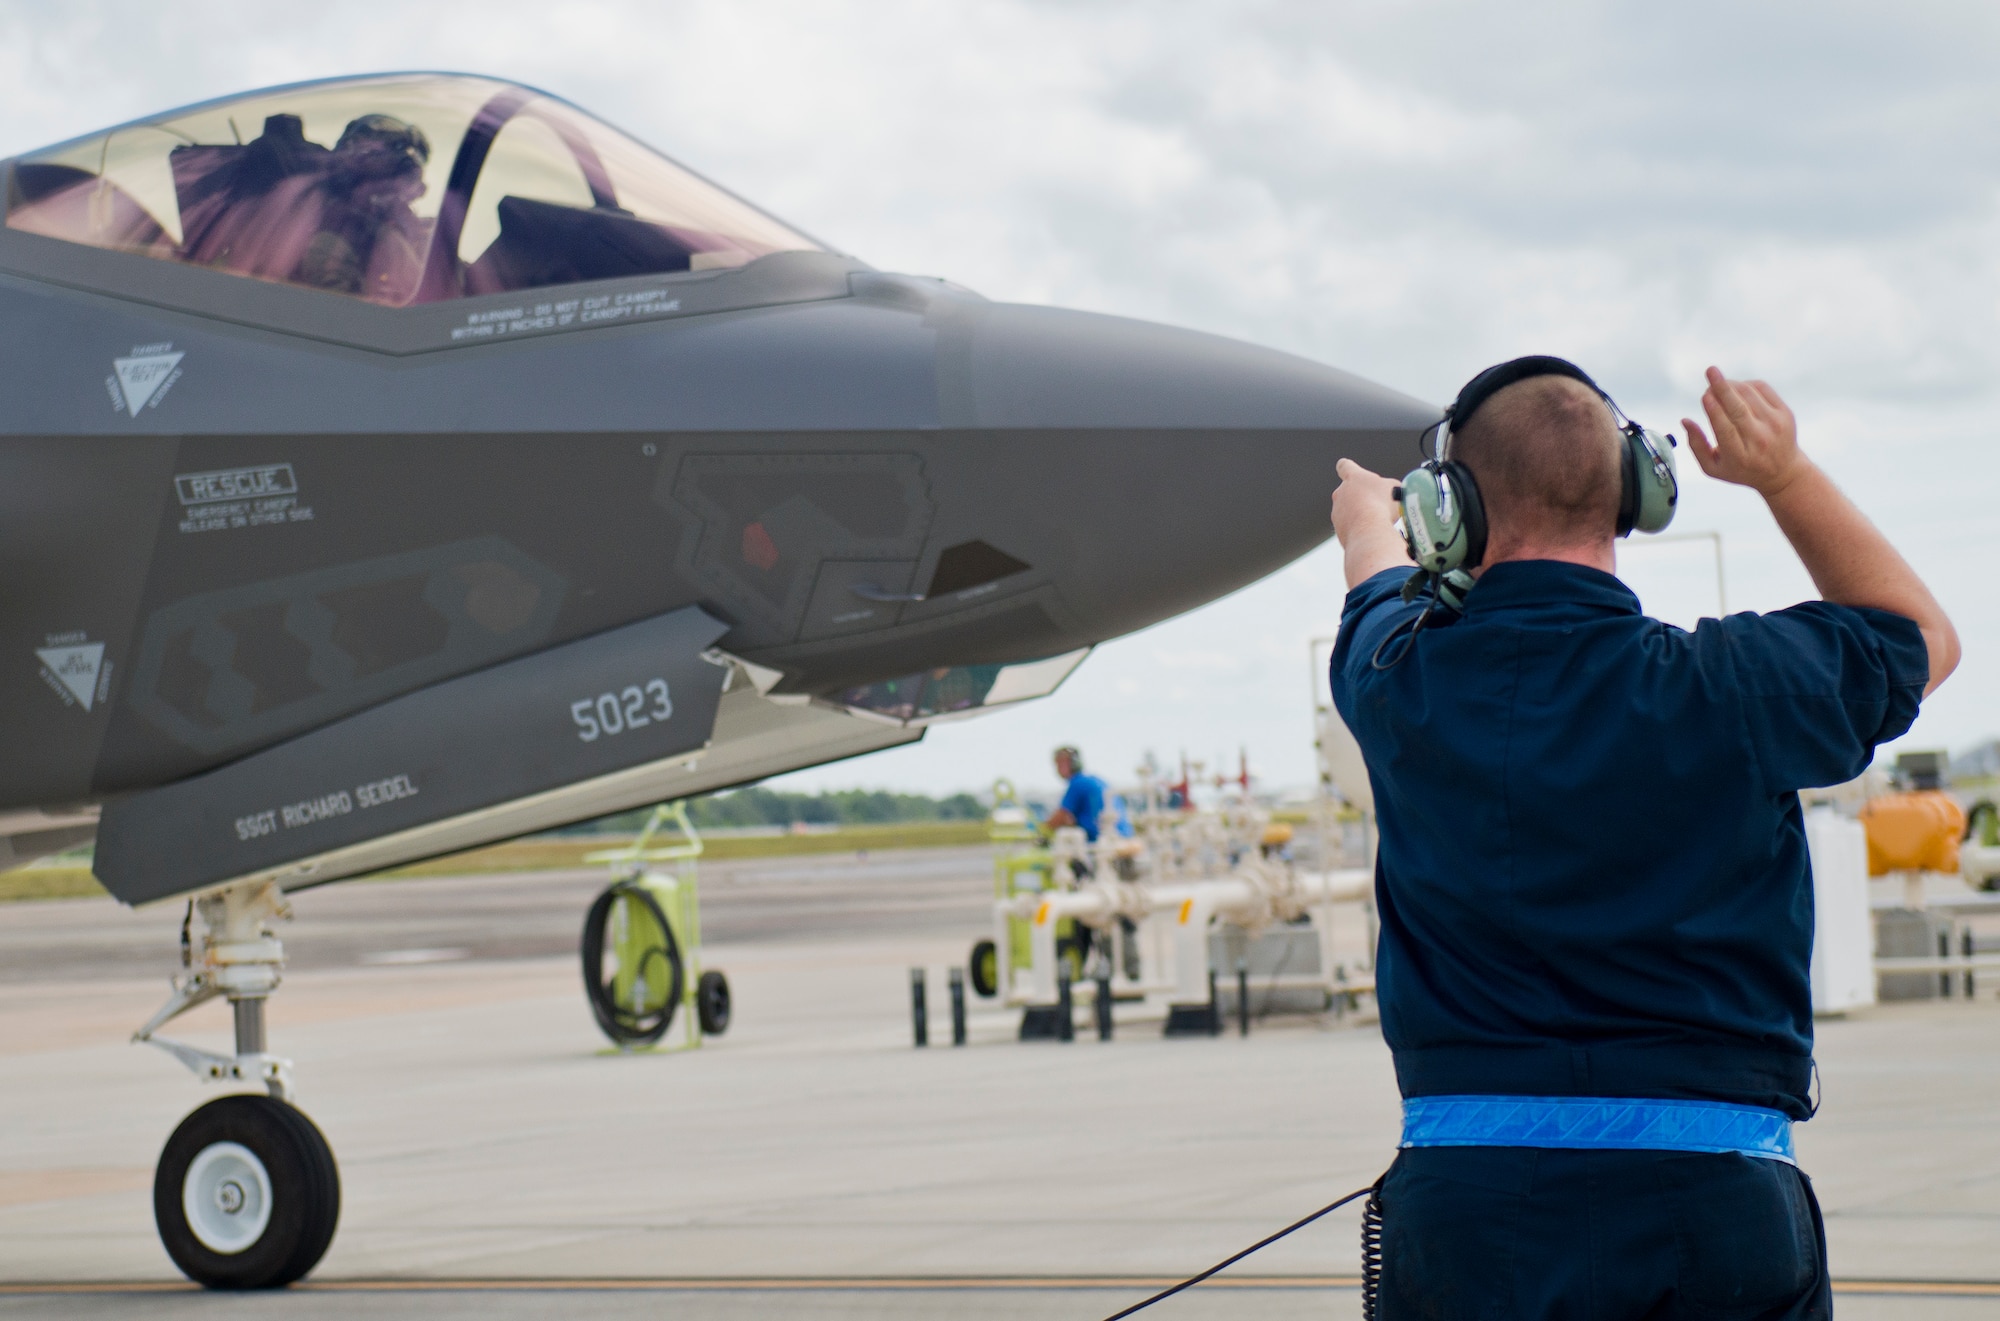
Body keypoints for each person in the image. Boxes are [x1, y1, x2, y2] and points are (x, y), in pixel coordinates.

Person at [1327, 358, 1956, 1319]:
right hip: (1715, 1208)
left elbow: (1374, 582)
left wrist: (1373, 523)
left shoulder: (1397, 680)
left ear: (1450, 512)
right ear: (1638, 492)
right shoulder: (1735, 684)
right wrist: (1784, 475)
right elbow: (1922, 638)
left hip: (1468, 1213)